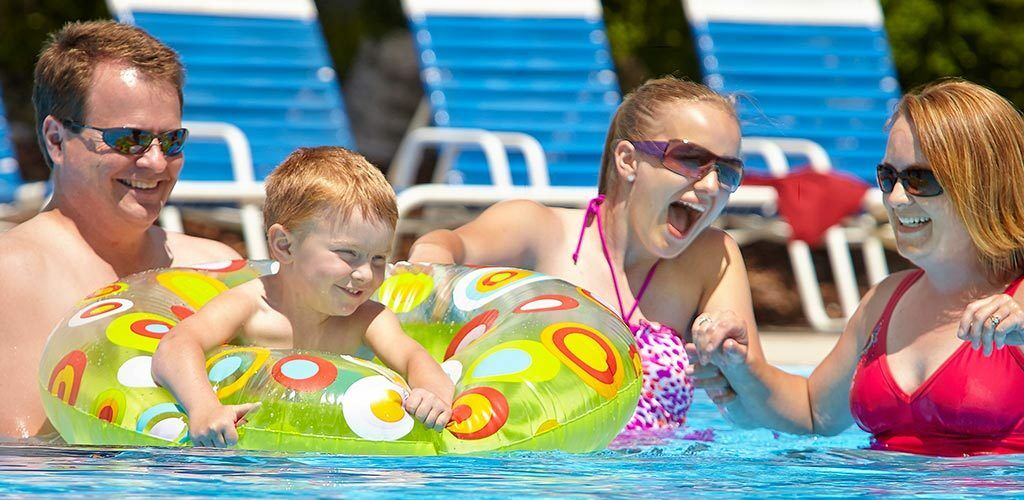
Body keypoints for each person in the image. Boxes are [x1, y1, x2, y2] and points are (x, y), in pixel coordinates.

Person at [690, 79, 1024, 456]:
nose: (895, 199)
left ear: (985, 185)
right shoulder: (885, 300)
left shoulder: (1020, 303)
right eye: (889, 177)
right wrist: (740, 366)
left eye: (920, 179)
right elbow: (815, 412)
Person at [405, 77, 758, 431]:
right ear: (628, 160)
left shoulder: (711, 259)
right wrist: (430, 266)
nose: (712, 185)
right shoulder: (541, 231)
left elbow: (764, 411)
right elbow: (445, 246)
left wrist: (737, 369)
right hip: (539, 476)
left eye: (726, 171)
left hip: (658, 478)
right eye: (689, 158)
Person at [0, 21, 241, 439]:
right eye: (130, 139)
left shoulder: (213, 266)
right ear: (57, 140)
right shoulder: (14, 275)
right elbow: (23, 464)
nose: (155, 162)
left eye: (171, 141)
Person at [153, 147, 455, 447]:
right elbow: (176, 345)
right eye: (348, 254)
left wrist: (431, 393)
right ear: (284, 246)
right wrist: (204, 407)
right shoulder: (251, 307)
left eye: (378, 258)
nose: (365, 274)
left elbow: (416, 358)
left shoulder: (368, 319)